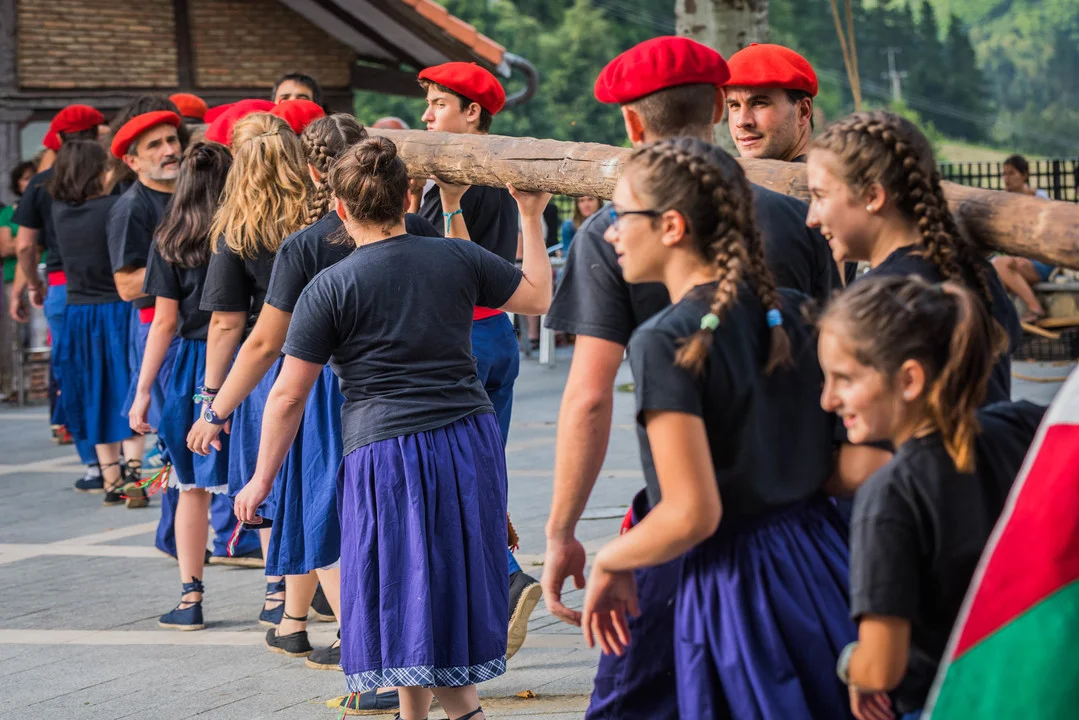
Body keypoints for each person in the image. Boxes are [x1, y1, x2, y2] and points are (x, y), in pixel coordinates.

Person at [541, 36, 841, 720]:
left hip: (702, 548)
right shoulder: (797, 229)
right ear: (715, 108)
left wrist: (573, 537)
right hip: (811, 540)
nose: (615, 231)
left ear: (631, 123)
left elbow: (588, 399)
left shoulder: (658, 326)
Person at [233, 136, 553, 720]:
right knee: (451, 574)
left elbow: (288, 395)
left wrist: (260, 479)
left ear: (340, 208)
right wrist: (531, 217)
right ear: (408, 197)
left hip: (384, 451)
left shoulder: (329, 286)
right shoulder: (456, 257)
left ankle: (457, 712)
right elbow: (536, 297)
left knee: (402, 581)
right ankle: (432, 712)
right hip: (467, 440)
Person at [819, 275, 1045, 720]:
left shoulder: (888, 497)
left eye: (844, 379)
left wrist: (852, 665)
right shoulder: (1021, 426)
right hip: (1033, 686)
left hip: (949, 702)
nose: (828, 399)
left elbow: (882, 667)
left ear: (909, 379)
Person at [413, 61, 543, 659]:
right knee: (480, 468)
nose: (427, 116)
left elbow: (456, 267)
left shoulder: (463, 179)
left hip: (461, 338)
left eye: (439, 104)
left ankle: (505, 578)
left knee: (451, 475)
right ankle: (490, 601)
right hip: (494, 335)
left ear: (473, 114)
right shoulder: (499, 168)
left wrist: (444, 204)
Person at [110, 100, 259, 565]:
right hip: (192, 346)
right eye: (154, 145)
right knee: (211, 462)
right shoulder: (135, 210)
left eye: (172, 140)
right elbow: (129, 288)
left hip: (197, 347)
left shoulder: (179, 228)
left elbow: (175, 315)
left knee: (198, 466)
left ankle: (199, 577)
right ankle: (271, 586)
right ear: (132, 160)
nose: (169, 150)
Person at [186, 112, 309, 630]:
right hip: (334, 362)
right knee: (319, 476)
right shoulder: (324, 211)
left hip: (268, 367)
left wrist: (212, 399)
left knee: (268, 478)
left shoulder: (238, 227)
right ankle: (317, 590)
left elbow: (225, 323)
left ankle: (278, 590)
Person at [806, 110, 1022, 405]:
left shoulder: (878, 298)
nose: (811, 218)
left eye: (819, 196)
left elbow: (872, 434)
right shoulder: (976, 270)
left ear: (872, 196)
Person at [130, 142, 234, 630]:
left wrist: (143, 391)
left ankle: (191, 597)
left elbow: (163, 322)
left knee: (189, 485)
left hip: (191, 369)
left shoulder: (169, 238)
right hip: (245, 360)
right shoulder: (244, 231)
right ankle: (280, 597)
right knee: (262, 480)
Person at [47, 140, 146, 507]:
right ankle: (134, 471)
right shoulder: (114, 207)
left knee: (94, 393)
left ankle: (110, 480)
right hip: (118, 310)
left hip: (79, 313)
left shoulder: (59, 212)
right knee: (128, 387)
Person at [11, 105, 104, 489]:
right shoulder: (110, 176)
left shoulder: (41, 184)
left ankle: (94, 464)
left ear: (60, 139)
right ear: (96, 134)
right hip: (115, 287)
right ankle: (129, 458)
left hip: (63, 288)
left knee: (74, 375)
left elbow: (24, 246)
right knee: (118, 369)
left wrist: (31, 284)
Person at [724, 43, 817, 162]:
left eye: (758, 103)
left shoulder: (826, 173)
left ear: (803, 111)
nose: (742, 121)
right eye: (735, 105)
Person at [991, 154, 1053, 322]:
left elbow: (1046, 236)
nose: (1006, 178)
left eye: (1012, 173)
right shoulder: (1006, 202)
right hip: (1019, 260)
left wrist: (1028, 255)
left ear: (1024, 175)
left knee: (999, 264)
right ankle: (1005, 322)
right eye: (1004, 174)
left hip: (1042, 259)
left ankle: (1036, 309)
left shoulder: (1040, 199)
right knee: (995, 275)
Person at [1, 160, 37, 398]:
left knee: (41, 334)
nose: (29, 182)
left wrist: (23, 241)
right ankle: (16, 385)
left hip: (41, 273)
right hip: (13, 276)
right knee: (17, 333)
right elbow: (5, 247)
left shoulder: (42, 204)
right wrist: (31, 241)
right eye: (25, 178)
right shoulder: (7, 213)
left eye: (32, 177)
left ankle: (39, 384)